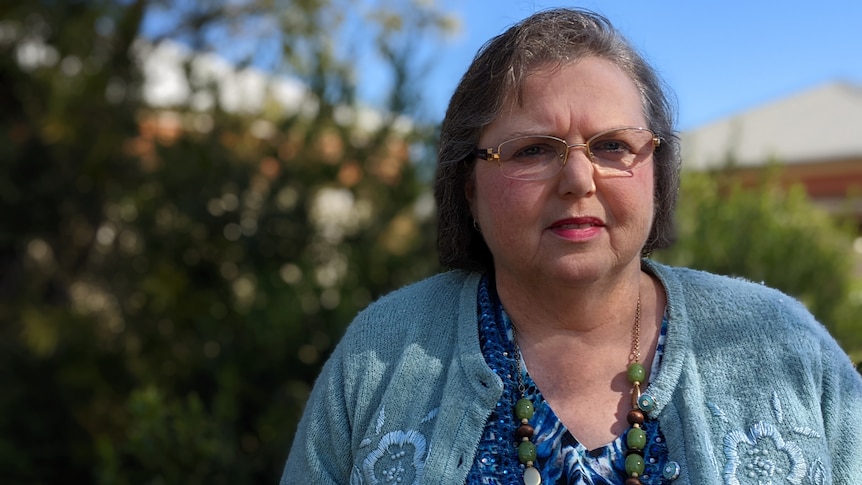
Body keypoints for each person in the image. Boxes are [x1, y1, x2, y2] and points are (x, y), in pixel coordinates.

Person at [281, 8, 862, 484]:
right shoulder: (379, 356)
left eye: (613, 146)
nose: (579, 180)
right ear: (469, 188)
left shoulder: (786, 347)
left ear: (657, 173)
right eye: (534, 150)